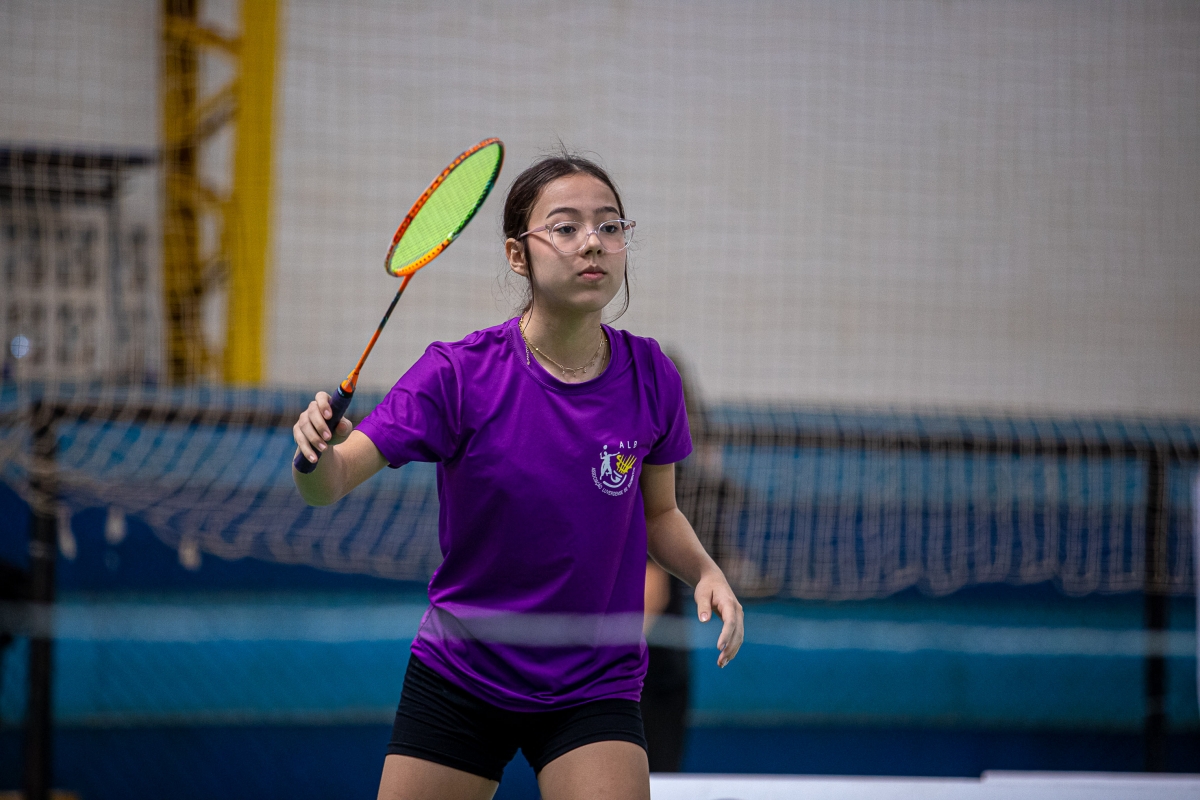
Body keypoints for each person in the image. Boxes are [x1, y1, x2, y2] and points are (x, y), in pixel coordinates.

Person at [291, 152, 744, 800]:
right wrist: (315, 453)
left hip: (593, 681)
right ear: (517, 254)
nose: (593, 241)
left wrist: (705, 572)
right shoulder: (457, 374)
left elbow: (660, 514)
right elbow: (330, 483)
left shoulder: (652, 376)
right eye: (565, 227)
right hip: (463, 671)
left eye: (609, 225)